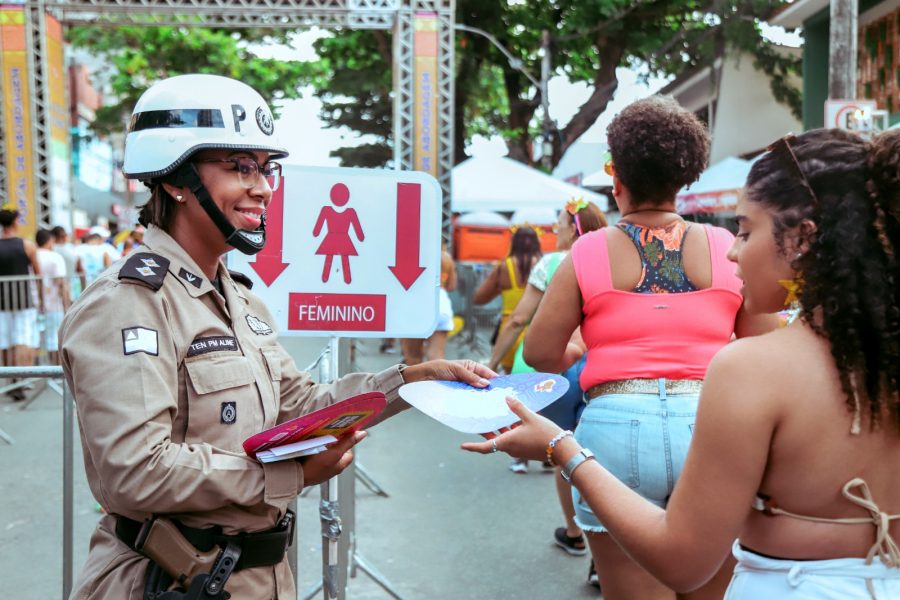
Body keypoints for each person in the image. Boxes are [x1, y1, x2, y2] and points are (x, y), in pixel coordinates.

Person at [59, 73, 494, 600]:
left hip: (258, 576)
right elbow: (136, 470)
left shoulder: (241, 297)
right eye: (239, 167)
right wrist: (290, 476)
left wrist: (410, 381)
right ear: (176, 179)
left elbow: (298, 405)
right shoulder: (126, 302)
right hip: (166, 581)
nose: (263, 187)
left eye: (267, 169)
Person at [466, 127, 900, 599]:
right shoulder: (861, 366)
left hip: (617, 431)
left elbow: (681, 560)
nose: (733, 251)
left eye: (746, 230)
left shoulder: (755, 372)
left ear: (801, 239)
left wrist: (561, 448)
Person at [470, 96, 777, 600]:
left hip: (613, 426)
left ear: (618, 178)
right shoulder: (727, 246)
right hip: (713, 424)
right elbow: (762, 347)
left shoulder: (585, 251)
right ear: (684, 179)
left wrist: (583, 346)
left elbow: (543, 354)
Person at [488, 199, 607, 581]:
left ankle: (575, 533)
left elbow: (520, 317)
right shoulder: (615, 260)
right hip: (608, 370)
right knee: (604, 457)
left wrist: (492, 364)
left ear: (574, 228)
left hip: (560, 370)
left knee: (566, 450)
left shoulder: (553, 263)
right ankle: (602, 556)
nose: (555, 232)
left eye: (559, 224)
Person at [474, 225, 543, 373]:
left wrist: (500, 288)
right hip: (538, 329)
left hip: (508, 332)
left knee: (510, 380)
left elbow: (479, 298)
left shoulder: (505, 266)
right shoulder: (545, 265)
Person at [0, 207, 42, 399]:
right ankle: (21, 379)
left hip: (2, 302)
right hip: (23, 300)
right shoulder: (27, 245)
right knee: (22, 340)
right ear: (16, 222)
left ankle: (11, 380)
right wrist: (40, 298)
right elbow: (37, 272)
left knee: (6, 342)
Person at [400, 242, 458, 364]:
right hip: (440, 303)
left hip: (416, 302)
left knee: (413, 357)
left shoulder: (414, 255)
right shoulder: (446, 258)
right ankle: (436, 382)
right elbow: (452, 285)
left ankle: (415, 383)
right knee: (436, 355)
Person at [35, 228, 68, 364]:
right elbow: (61, 282)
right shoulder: (55, 257)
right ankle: (56, 371)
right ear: (50, 241)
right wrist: (67, 305)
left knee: (41, 340)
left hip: (35, 304)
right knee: (55, 339)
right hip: (54, 304)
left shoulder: (33, 255)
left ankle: (42, 371)